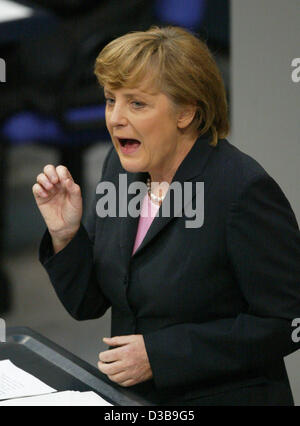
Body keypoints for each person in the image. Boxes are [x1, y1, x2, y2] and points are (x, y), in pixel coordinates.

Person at [32, 26, 300, 406]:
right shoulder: (121, 170)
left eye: (137, 104)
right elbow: (87, 303)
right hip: (138, 401)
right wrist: (66, 235)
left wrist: (161, 356)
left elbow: (288, 323)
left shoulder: (241, 190)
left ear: (186, 112)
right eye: (111, 100)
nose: (115, 119)